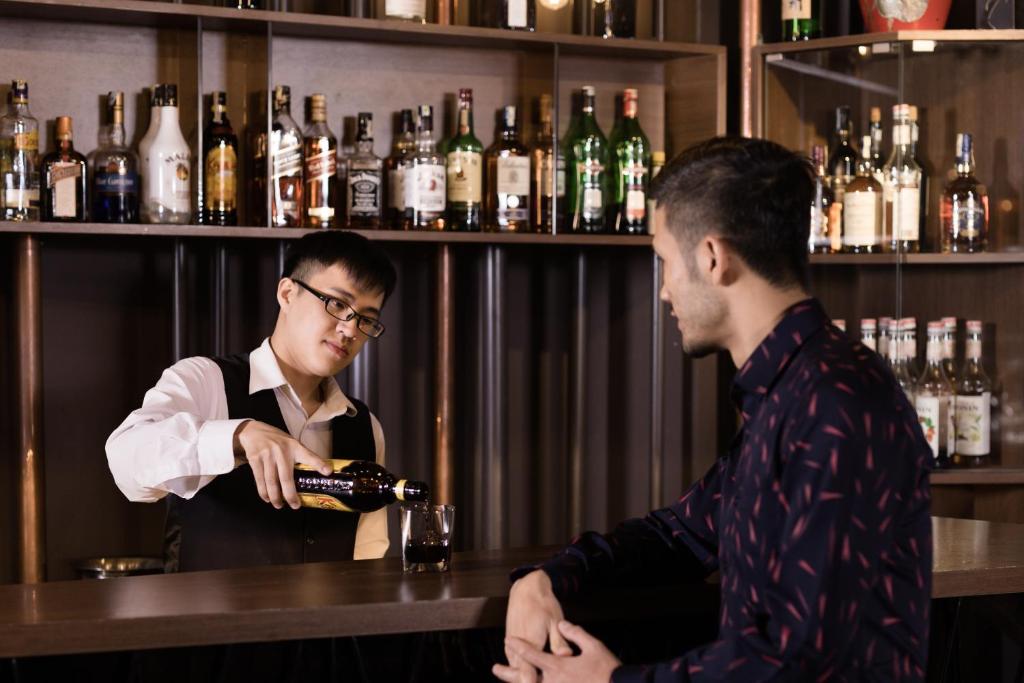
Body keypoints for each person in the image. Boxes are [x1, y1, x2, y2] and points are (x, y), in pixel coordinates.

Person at [494, 137, 933, 682]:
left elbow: (799, 658)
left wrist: (613, 682)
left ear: (711, 258)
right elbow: (679, 536)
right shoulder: (787, 389)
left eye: (664, 261)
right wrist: (546, 579)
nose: (663, 291)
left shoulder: (834, 401)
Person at [107, 230, 397, 572]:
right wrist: (237, 435)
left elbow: (367, 556)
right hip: (204, 609)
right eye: (336, 304)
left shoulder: (364, 426)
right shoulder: (207, 381)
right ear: (287, 293)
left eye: (366, 319)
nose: (349, 330)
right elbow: (126, 464)